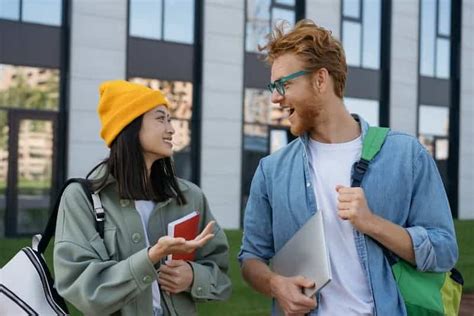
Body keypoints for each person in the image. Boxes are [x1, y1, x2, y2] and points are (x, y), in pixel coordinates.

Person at [238, 20, 458, 315]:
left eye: (284, 84)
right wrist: (277, 285)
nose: (276, 97)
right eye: (273, 87)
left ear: (320, 80)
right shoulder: (271, 171)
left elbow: (444, 250)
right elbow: (251, 257)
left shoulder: (407, 155)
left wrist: (372, 223)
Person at [54, 80, 232, 316]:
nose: (171, 129)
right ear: (129, 126)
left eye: (170, 119)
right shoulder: (82, 198)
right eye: (161, 119)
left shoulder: (190, 197)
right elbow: (81, 288)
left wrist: (192, 276)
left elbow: (221, 275)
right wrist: (151, 257)